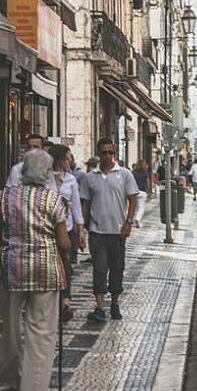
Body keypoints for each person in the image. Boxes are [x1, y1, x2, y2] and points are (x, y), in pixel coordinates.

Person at [0, 148, 70, 391]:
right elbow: (63, 242)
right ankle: (34, 385)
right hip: (45, 272)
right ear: (46, 173)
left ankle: (11, 375)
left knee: (10, 326)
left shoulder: (6, 197)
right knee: (40, 330)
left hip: (12, 270)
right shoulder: (54, 199)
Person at [79, 138, 138, 322]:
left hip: (118, 231)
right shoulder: (89, 177)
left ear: (115, 153)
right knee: (99, 268)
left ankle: (115, 302)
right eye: (104, 152)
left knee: (117, 268)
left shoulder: (125, 174)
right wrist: (83, 227)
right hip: (97, 231)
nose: (107, 156)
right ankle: (99, 306)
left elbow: (133, 199)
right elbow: (86, 204)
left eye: (110, 152)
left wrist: (129, 222)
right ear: (98, 153)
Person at [48, 144, 86, 322]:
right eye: (68, 157)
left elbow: (77, 204)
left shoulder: (70, 179)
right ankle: (51, 302)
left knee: (66, 266)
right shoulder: (45, 178)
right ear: (60, 159)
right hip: (47, 229)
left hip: (67, 227)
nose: (70, 161)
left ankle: (65, 302)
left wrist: (81, 228)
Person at [131, 160, 149, 228]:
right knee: (141, 207)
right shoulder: (145, 173)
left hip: (134, 191)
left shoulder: (133, 173)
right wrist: (148, 190)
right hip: (142, 192)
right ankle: (138, 219)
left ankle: (131, 220)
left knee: (133, 207)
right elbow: (147, 183)